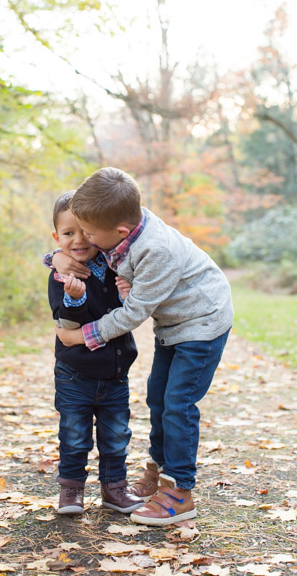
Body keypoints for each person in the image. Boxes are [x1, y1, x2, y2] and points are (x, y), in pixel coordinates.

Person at [51, 168, 234, 527]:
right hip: (175, 324)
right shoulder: (120, 225)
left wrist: (83, 335)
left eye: (89, 233)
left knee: (178, 404)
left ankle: (180, 491)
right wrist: (55, 258)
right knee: (157, 397)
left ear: (118, 232)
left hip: (202, 323)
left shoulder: (155, 249)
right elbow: (74, 245)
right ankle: (161, 468)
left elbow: (133, 312)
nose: (84, 239)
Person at [47, 191, 144, 516]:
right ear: (56, 237)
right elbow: (65, 322)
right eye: (68, 233)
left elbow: (125, 313)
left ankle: (115, 489)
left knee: (116, 434)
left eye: (85, 232)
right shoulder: (61, 274)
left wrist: (128, 294)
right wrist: (74, 297)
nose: (79, 240)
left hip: (115, 372)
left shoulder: (114, 265)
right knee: (74, 435)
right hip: (75, 373)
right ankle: (71, 491)